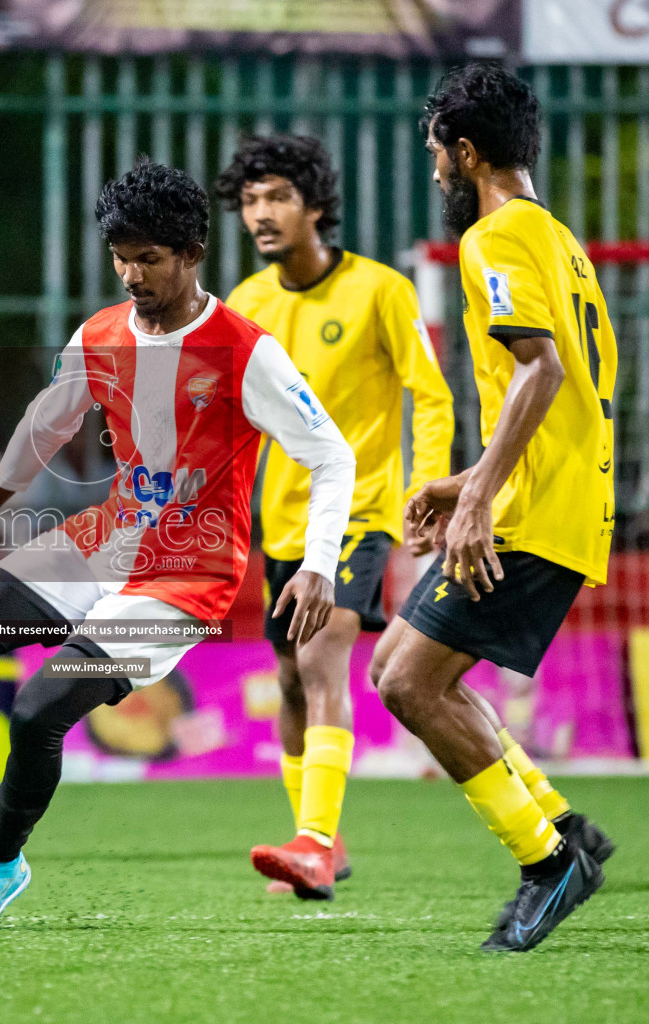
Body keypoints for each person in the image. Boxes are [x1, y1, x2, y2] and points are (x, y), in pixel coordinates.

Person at [0, 160, 356, 932]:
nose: (132, 274)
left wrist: (321, 566)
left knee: (37, 712)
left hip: (185, 579)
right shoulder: (100, 333)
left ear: (193, 252)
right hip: (102, 542)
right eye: (121, 257)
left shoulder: (242, 350)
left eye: (150, 259)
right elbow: (50, 420)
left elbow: (332, 456)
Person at [371, 62, 618, 953]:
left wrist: (477, 494)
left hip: (528, 514)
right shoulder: (559, 239)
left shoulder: (494, 238)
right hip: (546, 497)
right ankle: (562, 826)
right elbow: (571, 387)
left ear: (466, 151)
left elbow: (543, 370)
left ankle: (549, 865)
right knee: (403, 662)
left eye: (438, 150)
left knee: (406, 682)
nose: (435, 167)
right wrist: (470, 478)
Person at [217, 133, 455, 898]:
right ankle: (323, 843)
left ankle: (313, 841)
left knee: (320, 659)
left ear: (316, 206)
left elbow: (432, 392)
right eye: (251, 200)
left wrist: (429, 487)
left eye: (278, 196)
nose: (261, 212)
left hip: (360, 513)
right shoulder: (246, 306)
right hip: (280, 522)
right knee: (287, 678)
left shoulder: (382, 290)